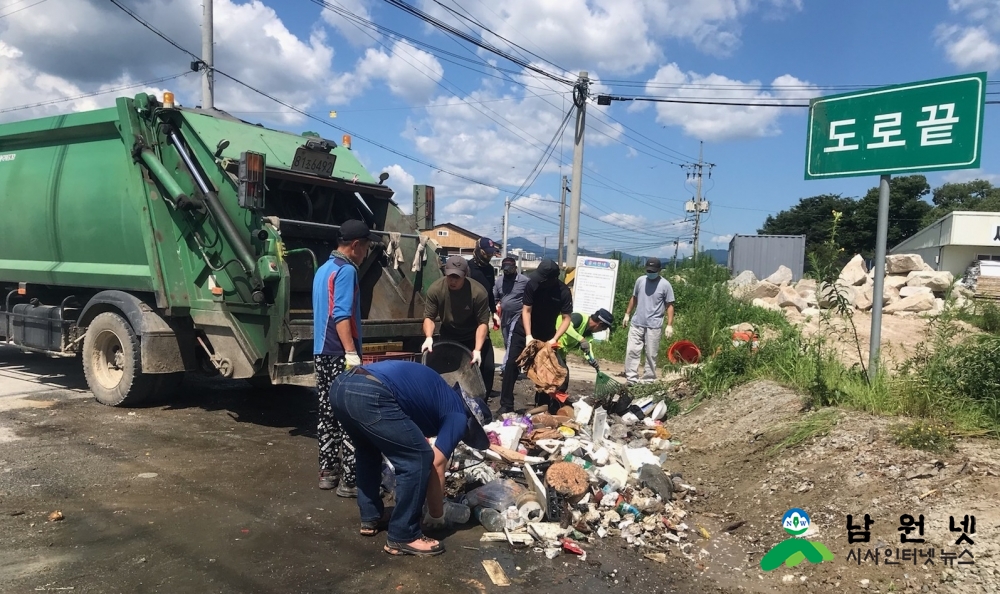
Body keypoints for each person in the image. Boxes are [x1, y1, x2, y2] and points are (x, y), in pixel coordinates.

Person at [328, 360, 490, 557]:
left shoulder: (440, 395)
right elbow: (436, 463)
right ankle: (403, 535)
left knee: (368, 450)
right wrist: (436, 514)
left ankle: (371, 516)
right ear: (471, 422)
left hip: (341, 386)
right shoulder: (458, 414)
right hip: (370, 391)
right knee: (418, 457)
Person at [313, 219, 381, 496]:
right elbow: (341, 314)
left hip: (321, 351)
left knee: (327, 413)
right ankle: (351, 480)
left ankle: (328, 472)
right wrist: (351, 353)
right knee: (351, 415)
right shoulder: (346, 271)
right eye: (366, 247)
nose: (366, 253)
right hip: (339, 352)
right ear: (356, 246)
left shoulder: (323, 269)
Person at [497, 259, 573, 415]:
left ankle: (543, 405)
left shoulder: (563, 292)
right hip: (524, 330)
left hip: (547, 335)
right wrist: (528, 335)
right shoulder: (532, 284)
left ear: (551, 279)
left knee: (547, 370)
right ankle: (506, 405)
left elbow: (566, 318)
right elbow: (526, 311)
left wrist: (554, 339)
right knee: (511, 364)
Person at [421, 256, 493, 394]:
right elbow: (429, 317)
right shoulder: (436, 289)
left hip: (473, 334)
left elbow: (482, 323)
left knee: (487, 369)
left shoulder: (478, 292)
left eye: (457, 277)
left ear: (465, 275)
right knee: (446, 372)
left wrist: (477, 349)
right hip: (450, 333)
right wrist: (429, 337)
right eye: (450, 276)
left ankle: (482, 404)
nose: (453, 281)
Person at [621, 257, 675, 384]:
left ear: (659, 270)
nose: (650, 273)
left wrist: (669, 325)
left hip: (654, 325)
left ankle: (648, 380)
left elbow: (670, 305)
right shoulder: (640, 280)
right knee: (632, 351)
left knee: (651, 354)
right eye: (649, 271)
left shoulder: (665, 285)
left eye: (653, 271)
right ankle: (631, 379)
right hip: (637, 323)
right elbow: (634, 297)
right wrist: (627, 314)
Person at [466, 238, 500, 395]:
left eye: (492, 253)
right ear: (479, 251)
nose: (490, 256)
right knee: (469, 356)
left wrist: (494, 313)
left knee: (488, 363)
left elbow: (490, 294)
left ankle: (486, 391)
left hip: (483, 317)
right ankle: (468, 389)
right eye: (487, 253)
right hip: (467, 317)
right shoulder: (468, 268)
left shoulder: (489, 270)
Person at [493, 256, 529, 374]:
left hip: (518, 315)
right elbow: (495, 298)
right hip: (504, 316)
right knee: (506, 341)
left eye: (509, 269)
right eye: (505, 269)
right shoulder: (499, 281)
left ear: (515, 268)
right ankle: (514, 365)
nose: (507, 271)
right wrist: (495, 313)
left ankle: (506, 367)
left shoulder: (524, 281)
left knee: (511, 341)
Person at [554, 308, 614, 379]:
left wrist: (592, 360)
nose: (601, 331)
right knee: (561, 376)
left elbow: (588, 349)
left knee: (563, 379)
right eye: (603, 329)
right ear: (600, 324)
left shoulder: (588, 334)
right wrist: (581, 339)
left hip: (559, 352)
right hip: (550, 343)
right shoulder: (579, 318)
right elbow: (566, 327)